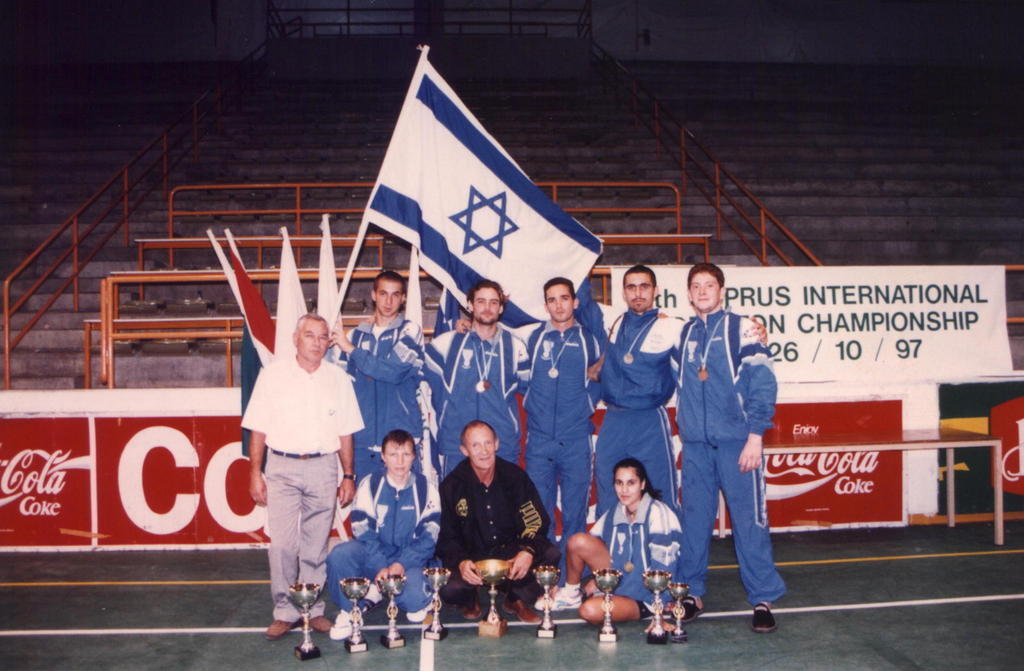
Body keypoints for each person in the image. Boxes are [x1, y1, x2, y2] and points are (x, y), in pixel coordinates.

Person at [672, 262, 786, 633]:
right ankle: (691, 593)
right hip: (696, 447)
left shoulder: (743, 328)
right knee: (694, 522)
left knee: (749, 523)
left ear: (722, 291)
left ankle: (763, 599)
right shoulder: (684, 333)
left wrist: (755, 436)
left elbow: (763, 383)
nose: (702, 291)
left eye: (709, 285)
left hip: (738, 443)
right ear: (689, 294)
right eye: (696, 285)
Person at [242, 313, 364, 641]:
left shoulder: (338, 379)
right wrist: (255, 473)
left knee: (315, 545)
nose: (317, 343)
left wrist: (348, 475)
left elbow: (346, 432)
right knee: (282, 544)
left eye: (323, 337)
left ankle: (312, 609)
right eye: (310, 335)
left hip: (323, 467)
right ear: (295, 339)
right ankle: (284, 610)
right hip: (281, 467)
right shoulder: (272, 375)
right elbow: (258, 429)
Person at [436, 420, 560, 624]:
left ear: (496, 444)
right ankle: (471, 598)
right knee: (450, 589)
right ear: (464, 450)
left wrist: (527, 551)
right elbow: (447, 536)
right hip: (473, 560)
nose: (484, 451)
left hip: (510, 558)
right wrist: (461, 562)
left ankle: (515, 598)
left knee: (551, 554)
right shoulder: (452, 486)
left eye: (488, 443)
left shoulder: (515, 477)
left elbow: (536, 521)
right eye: (475, 445)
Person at [324, 429, 440, 640]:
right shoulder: (370, 484)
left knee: (414, 603)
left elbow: (428, 538)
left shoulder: (426, 488)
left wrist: (401, 564)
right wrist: (380, 565)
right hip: (375, 556)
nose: (400, 461)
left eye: (406, 454)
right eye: (393, 454)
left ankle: (380, 593)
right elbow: (362, 531)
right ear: (383, 457)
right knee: (340, 554)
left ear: (414, 457)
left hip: (409, 560)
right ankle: (350, 610)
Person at [518, 277, 601, 565]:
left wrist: (585, 405)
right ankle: (546, 574)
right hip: (540, 440)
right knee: (539, 513)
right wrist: (534, 404)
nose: (559, 305)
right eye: (552, 300)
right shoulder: (533, 339)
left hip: (575, 438)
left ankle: (571, 575)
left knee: (575, 512)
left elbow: (601, 377)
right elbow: (521, 380)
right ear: (545, 305)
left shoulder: (589, 339)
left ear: (575, 302)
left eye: (564, 298)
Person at [546, 458, 683, 627]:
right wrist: (561, 583)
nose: (624, 490)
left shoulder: (658, 513)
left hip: (644, 595)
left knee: (589, 610)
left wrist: (658, 608)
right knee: (577, 541)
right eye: (619, 483)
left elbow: (665, 566)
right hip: (619, 580)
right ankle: (571, 595)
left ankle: (646, 610)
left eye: (631, 483)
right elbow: (588, 549)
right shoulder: (615, 513)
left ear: (642, 484)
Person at [592, 264, 683, 516]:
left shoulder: (672, 326)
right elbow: (582, 303)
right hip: (614, 418)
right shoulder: (613, 321)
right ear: (623, 292)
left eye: (644, 286)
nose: (638, 293)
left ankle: (665, 541)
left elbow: (706, 337)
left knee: (659, 489)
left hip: (649, 419)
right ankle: (610, 542)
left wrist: (752, 327)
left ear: (656, 290)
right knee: (607, 485)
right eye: (631, 287)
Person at [424, 280, 529, 476]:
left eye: (493, 302)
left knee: (503, 497)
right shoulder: (445, 344)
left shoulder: (516, 347)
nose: (487, 308)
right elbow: (427, 384)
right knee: (457, 497)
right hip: (457, 446)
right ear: (470, 305)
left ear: (501, 308)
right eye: (481, 301)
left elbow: (530, 391)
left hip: (501, 446)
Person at [327, 270, 424, 478]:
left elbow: (393, 371)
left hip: (401, 441)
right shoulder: (355, 335)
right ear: (373, 295)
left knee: (407, 497)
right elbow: (340, 386)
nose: (388, 301)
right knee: (364, 499)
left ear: (403, 298)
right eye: (383, 294)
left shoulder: (411, 331)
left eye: (395, 295)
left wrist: (352, 350)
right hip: (362, 443)